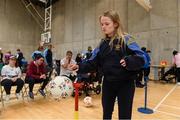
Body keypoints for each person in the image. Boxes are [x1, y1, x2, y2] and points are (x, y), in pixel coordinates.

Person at [69, 10, 146, 119]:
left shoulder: (127, 39)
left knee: (125, 116)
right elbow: (92, 62)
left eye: (107, 24)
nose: (103, 27)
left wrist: (130, 61)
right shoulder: (102, 44)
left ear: (115, 24)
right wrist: (79, 66)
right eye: (101, 24)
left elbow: (143, 58)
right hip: (108, 83)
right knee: (106, 115)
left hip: (126, 84)